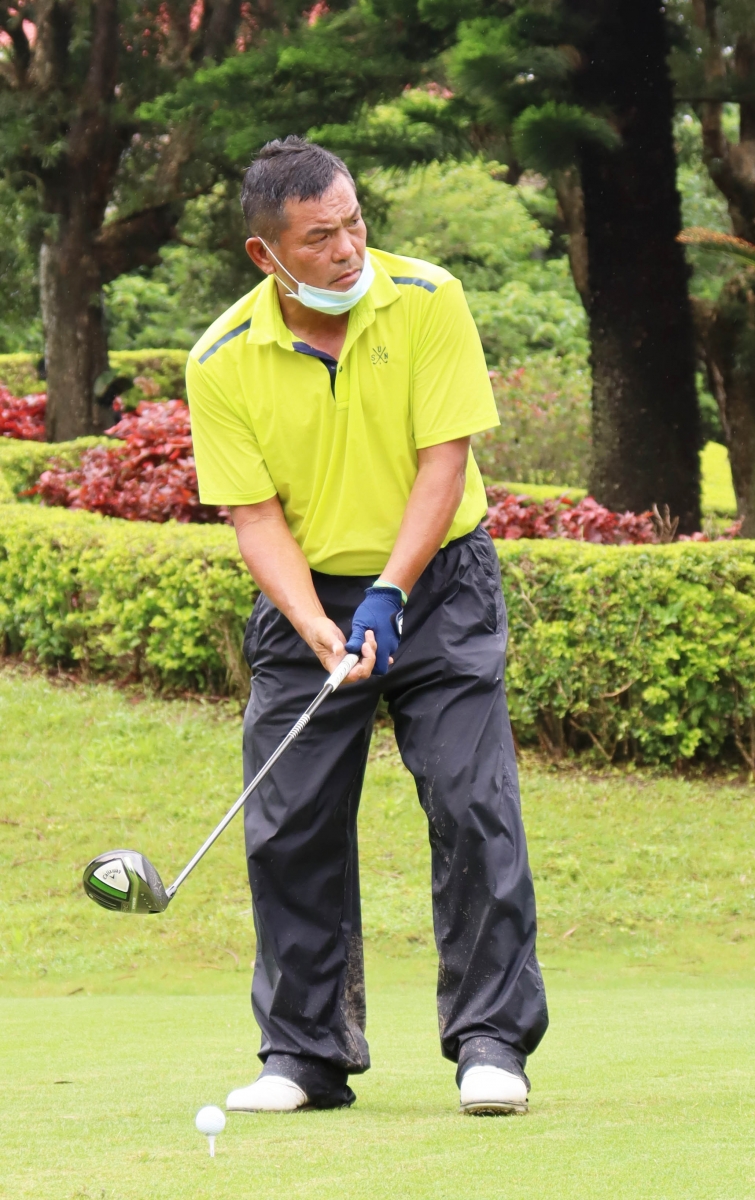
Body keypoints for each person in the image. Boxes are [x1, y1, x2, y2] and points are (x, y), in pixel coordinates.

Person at [186, 136, 548, 1116]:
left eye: (354, 224)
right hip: (307, 597)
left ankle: (489, 1042)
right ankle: (303, 1055)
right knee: (290, 821)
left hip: (440, 585)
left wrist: (390, 589)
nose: (348, 250)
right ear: (267, 257)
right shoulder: (220, 360)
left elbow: (443, 459)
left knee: (472, 804)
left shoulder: (427, 299)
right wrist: (311, 623)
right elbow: (252, 515)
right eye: (319, 237)